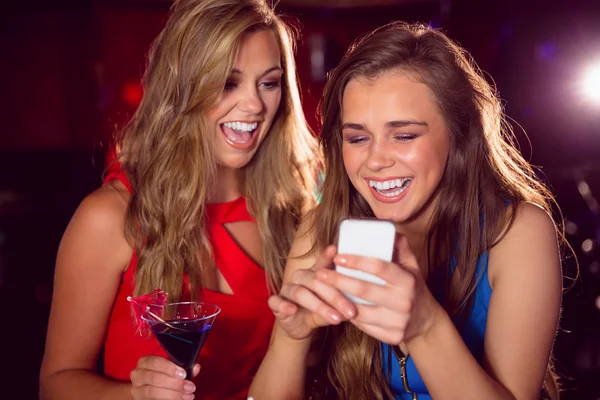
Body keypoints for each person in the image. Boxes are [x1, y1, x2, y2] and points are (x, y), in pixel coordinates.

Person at [250, 22, 565, 400]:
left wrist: (425, 327)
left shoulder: (518, 232)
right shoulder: (325, 227)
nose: (375, 161)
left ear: (460, 134)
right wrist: (289, 338)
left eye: (404, 135)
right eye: (358, 138)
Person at [39, 0, 322, 399]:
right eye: (228, 82)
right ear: (183, 87)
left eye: (269, 82)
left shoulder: (292, 213)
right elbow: (57, 383)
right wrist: (133, 396)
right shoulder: (109, 218)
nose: (255, 104)